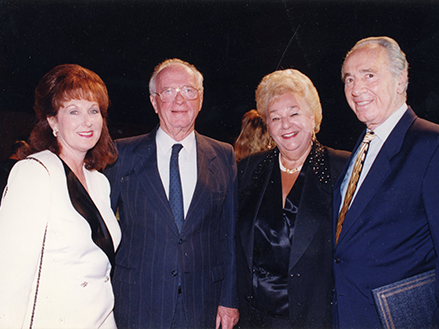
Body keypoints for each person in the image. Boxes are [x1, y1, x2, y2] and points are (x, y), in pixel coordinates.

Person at [333, 36, 439, 328]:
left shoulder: (436, 146)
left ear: (401, 80)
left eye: (369, 75)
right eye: (349, 79)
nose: (356, 88)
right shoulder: (361, 147)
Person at [104, 58, 239, 329]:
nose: (180, 99)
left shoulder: (223, 155)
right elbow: (102, 233)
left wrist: (229, 298)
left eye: (188, 90)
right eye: (168, 91)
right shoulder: (122, 155)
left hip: (203, 306)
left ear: (200, 99)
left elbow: (230, 234)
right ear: (154, 102)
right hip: (137, 303)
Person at [0, 64, 121, 328]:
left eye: (94, 111)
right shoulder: (34, 173)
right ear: (53, 121)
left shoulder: (100, 182)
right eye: (74, 111)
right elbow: (9, 278)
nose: (87, 121)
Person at [236, 68, 350, 328]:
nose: (285, 125)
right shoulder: (249, 169)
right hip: (255, 318)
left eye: (294, 113)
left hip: (316, 318)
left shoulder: (342, 168)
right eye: (275, 117)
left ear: (313, 117)